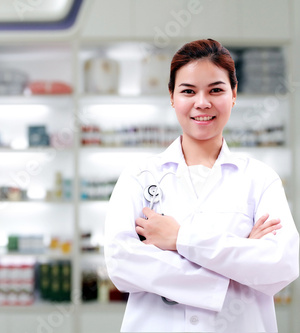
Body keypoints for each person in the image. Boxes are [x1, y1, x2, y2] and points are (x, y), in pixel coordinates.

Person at [104, 39, 299, 332]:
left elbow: (281, 264)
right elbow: (122, 263)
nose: (202, 102)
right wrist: (237, 262)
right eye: (188, 91)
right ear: (172, 96)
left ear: (234, 94)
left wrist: (180, 238)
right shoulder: (139, 177)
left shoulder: (260, 179)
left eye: (216, 90)